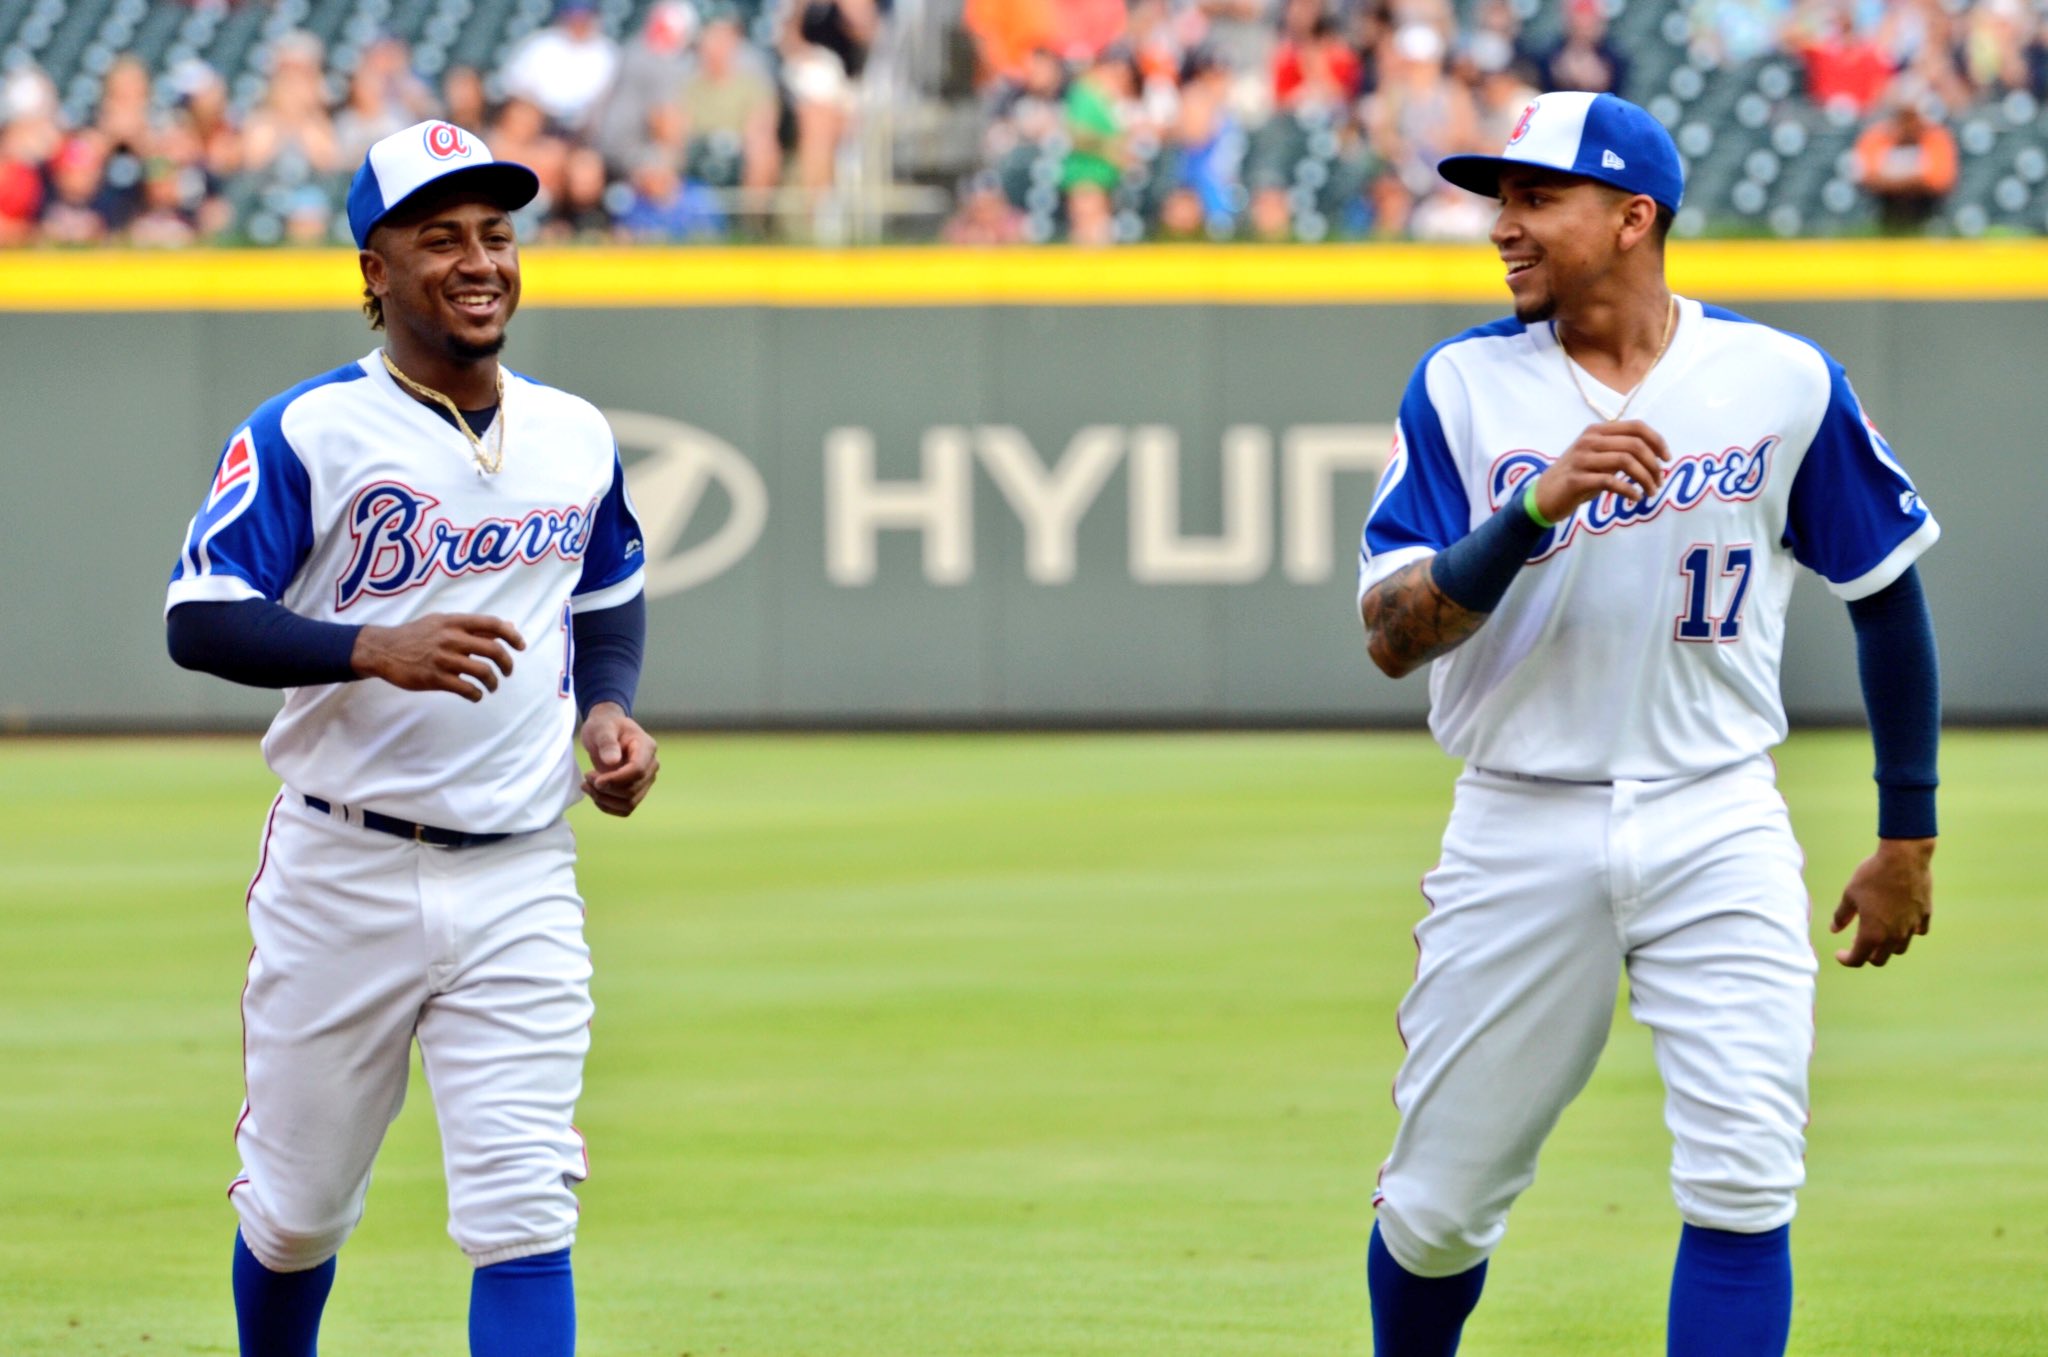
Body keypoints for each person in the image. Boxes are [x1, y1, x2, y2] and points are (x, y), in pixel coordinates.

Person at [1354, 91, 1940, 1357]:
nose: (1501, 226)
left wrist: (1908, 834)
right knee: (1439, 1207)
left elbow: (1884, 598)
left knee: (1742, 1179)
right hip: (1520, 814)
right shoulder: (1460, 386)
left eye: (1533, 198)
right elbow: (1391, 635)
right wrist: (1525, 515)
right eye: (1495, 200)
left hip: (1715, 809)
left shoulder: (1776, 379)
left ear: (1631, 218)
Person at [163, 119, 657, 1357]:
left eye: (496, 234)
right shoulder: (308, 430)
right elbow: (198, 613)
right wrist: (364, 644)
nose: (479, 259)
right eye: (440, 237)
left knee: (522, 1203)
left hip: (520, 870)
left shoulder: (572, 433)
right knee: (293, 1214)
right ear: (373, 269)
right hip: (343, 868)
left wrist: (606, 706)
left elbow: (607, 592)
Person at [1853, 85, 1959, 233]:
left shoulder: (1936, 138)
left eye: (1912, 117)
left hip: (1926, 211)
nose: (1908, 125)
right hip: (1884, 210)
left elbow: (1940, 179)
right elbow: (1867, 176)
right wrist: (1914, 179)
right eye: (1903, 117)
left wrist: (1892, 179)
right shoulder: (1877, 137)